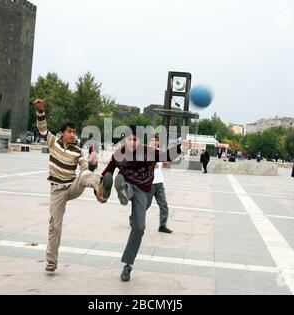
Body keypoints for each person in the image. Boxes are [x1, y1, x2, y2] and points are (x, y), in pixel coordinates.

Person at [102, 126, 191, 282]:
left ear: (140, 141)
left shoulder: (149, 151)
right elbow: (106, 172)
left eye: (135, 139)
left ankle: (128, 265)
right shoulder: (118, 154)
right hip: (127, 184)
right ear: (125, 140)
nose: (131, 142)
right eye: (129, 139)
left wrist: (181, 147)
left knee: (140, 228)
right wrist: (100, 189)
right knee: (121, 182)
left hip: (142, 190)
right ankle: (121, 190)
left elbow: (166, 155)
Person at [34, 99, 113, 273]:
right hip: (56, 190)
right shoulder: (52, 142)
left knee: (85, 175)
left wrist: (92, 164)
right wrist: (40, 110)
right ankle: (51, 261)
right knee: (55, 225)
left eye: (74, 132)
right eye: (69, 132)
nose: (72, 134)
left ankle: (101, 189)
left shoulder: (77, 151)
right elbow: (42, 129)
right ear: (62, 133)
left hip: (71, 187)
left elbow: (84, 168)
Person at [145, 135, 173, 234]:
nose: (155, 142)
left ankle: (162, 225)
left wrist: (165, 163)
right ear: (149, 141)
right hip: (149, 183)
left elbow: (164, 164)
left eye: (157, 140)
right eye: (153, 140)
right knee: (145, 205)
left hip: (159, 182)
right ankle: (133, 219)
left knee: (164, 205)